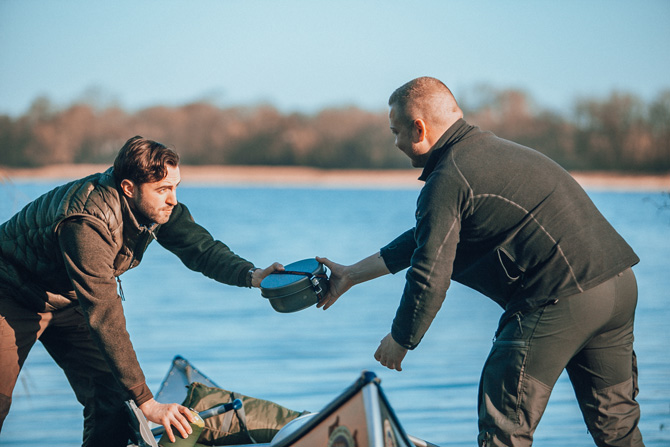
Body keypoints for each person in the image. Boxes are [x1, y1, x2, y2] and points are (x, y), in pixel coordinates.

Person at [316, 77, 644, 446]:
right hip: (618, 285)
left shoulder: (448, 178)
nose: (394, 141)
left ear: (419, 128)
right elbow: (425, 241)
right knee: (617, 427)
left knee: (504, 425)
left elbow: (429, 275)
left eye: (396, 131)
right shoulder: (490, 152)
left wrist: (401, 338)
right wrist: (352, 275)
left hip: (560, 296)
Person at [0, 136, 284, 446]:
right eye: (163, 190)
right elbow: (104, 314)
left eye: (175, 187)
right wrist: (148, 402)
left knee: (115, 401)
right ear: (128, 188)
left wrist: (252, 275)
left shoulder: (156, 208)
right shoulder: (86, 222)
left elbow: (201, 249)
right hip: (10, 294)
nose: (172, 199)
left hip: (67, 298)